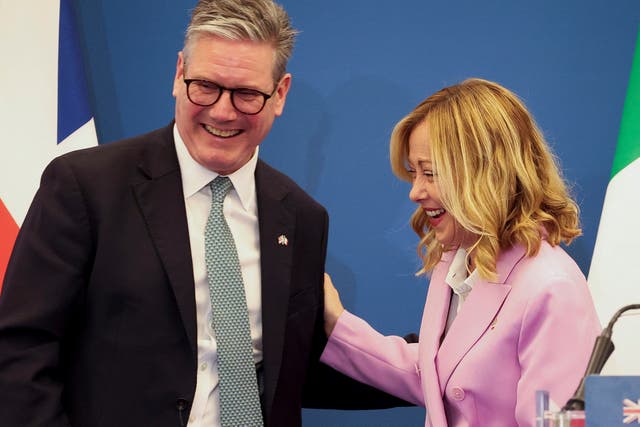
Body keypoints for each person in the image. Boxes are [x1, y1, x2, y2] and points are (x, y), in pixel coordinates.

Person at [0, 1, 407, 426]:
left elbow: (295, 370)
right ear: (179, 74)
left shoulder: (303, 217)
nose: (222, 111)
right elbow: (22, 349)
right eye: (205, 86)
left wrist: (439, 367)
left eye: (247, 94)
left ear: (280, 94)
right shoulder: (87, 186)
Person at [321, 78, 602, 427]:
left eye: (431, 173)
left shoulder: (552, 287)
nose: (415, 192)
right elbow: (440, 375)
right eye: (413, 173)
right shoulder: (459, 260)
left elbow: (558, 421)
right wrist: (337, 323)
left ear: (487, 173)